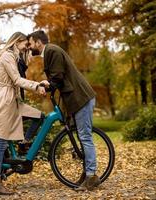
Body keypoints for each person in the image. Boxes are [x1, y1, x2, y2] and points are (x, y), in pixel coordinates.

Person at [27, 30, 100, 191]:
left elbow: (58, 77)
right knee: (82, 136)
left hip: (81, 97)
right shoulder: (51, 52)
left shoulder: (52, 50)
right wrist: (48, 83)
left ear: (39, 42)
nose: (30, 46)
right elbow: (57, 77)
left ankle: (92, 176)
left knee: (85, 137)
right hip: (77, 98)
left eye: (31, 43)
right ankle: (87, 173)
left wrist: (49, 85)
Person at [0, 32, 46, 195]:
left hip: (14, 100)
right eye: (25, 44)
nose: (27, 47)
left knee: (39, 116)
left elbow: (24, 66)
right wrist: (37, 86)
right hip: (4, 101)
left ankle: (24, 142)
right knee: (2, 142)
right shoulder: (7, 57)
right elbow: (16, 80)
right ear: (17, 42)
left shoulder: (15, 56)